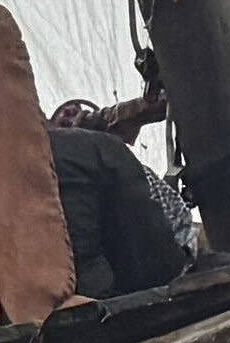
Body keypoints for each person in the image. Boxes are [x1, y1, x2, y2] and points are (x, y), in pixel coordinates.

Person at [46, 101, 196, 301]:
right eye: (66, 118)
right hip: (150, 278)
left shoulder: (100, 155)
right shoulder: (97, 152)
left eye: (75, 114)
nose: (69, 117)